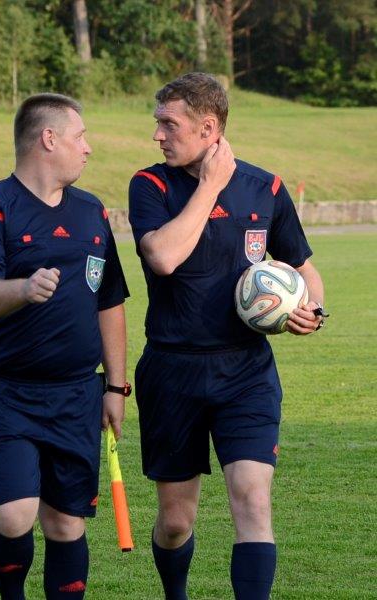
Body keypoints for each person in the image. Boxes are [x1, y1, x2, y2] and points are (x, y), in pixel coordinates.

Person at [128, 72, 327, 600]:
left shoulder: (267, 188)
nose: (158, 135)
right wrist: (211, 186)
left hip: (245, 371)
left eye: (169, 124)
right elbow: (163, 257)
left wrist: (313, 309)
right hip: (173, 370)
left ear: (208, 127)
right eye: (158, 124)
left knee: (253, 501)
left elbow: (304, 268)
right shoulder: (150, 186)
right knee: (176, 522)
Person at [0, 93, 130, 600]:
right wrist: (23, 289)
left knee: (65, 523)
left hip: (77, 395)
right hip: (6, 394)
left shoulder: (92, 211)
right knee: (14, 515)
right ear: (48, 139)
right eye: (80, 137)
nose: (88, 148)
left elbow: (110, 301)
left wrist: (115, 387)